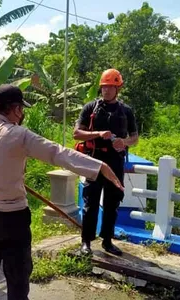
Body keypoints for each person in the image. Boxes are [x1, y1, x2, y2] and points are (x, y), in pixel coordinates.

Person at [0, 84, 124, 300]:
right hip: (14, 219)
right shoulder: (20, 136)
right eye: (21, 109)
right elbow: (57, 153)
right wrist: (99, 166)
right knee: (18, 280)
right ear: (16, 109)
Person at [73, 68, 139, 256]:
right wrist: (98, 134)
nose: (106, 91)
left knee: (112, 202)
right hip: (94, 159)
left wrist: (124, 142)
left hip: (115, 161)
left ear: (118, 88)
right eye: (104, 87)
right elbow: (77, 133)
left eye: (110, 87)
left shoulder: (126, 111)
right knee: (90, 202)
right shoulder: (90, 108)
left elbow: (135, 137)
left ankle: (108, 241)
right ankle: (86, 241)